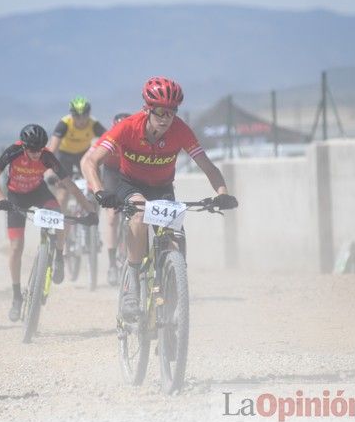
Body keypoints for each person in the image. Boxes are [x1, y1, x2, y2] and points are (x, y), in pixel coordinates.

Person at [81, 77, 238, 321]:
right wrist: (100, 190)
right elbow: (90, 161)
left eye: (172, 112)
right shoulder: (128, 127)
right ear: (148, 109)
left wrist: (222, 193)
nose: (166, 118)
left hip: (163, 187)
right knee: (140, 214)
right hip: (130, 184)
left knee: (176, 239)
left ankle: (172, 297)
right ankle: (132, 286)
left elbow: (207, 166)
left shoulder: (181, 130)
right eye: (160, 112)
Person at [0, 124, 98, 322]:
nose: (37, 154)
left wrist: (90, 209)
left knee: (61, 217)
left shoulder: (47, 156)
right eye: (32, 150)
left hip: (39, 192)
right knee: (16, 247)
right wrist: (0, 198)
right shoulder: (13, 151)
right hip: (15, 197)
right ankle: (16, 297)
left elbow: (70, 185)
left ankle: (59, 257)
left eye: (40, 149)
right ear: (24, 146)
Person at [80, 112, 131, 285]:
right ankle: (111, 265)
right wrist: (92, 182)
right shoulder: (107, 138)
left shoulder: (138, 137)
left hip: (129, 174)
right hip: (110, 174)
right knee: (112, 216)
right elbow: (87, 160)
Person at [47, 96, 107, 206]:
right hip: (64, 155)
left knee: (94, 187)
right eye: (77, 116)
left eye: (85, 115)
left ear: (89, 113)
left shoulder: (94, 124)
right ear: (72, 115)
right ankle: (64, 220)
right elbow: (52, 149)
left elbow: (109, 140)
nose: (81, 119)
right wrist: (50, 172)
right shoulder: (64, 123)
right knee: (62, 193)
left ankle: (93, 217)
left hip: (82, 155)